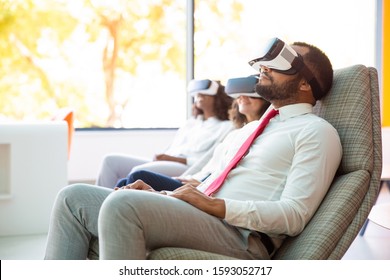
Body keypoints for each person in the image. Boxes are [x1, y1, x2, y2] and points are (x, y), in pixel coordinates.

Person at [45, 38, 342, 260]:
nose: (264, 67)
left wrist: (214, 206)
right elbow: (208, 182)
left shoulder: (316, 132)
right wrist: (163, 197)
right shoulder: (250, 130)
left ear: (304, 83)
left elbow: (294, 215)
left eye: (282, 62)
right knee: (73, 198)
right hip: (202, 215)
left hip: (240, 235)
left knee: (122, 206)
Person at [114, 75, 271, 191]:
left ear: (266, 101)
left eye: (251, 95)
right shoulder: (236, 134)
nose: (243, 98)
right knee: (124, 183)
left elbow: (230, 174)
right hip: (197, 178)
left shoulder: (255, 134)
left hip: (206, 187)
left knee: (138, 176)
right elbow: (209, 166)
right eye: (240, 95)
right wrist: (189, 178)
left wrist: (201, 182)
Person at [96, 79, 234, 188]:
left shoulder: (225, 127)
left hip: (187, 167)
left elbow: (207, 160)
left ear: (217, 98)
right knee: (110, 161)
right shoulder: (191, 123)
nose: (199, 97)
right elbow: (173, 148)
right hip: (168, 160)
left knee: (138, 172)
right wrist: (164, 156)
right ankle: (99, 203)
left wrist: (171, 159)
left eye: (204, 94)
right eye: (198, 94)